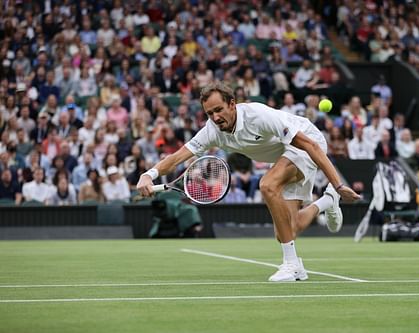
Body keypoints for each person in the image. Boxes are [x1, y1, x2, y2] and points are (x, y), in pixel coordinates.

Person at [137, 82, 360, 282]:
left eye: (218, 110)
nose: (215, 117)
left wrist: (338, 183)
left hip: (308, 143)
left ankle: (291, 265)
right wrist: (149, 175)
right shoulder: (212, 131)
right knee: (289, 229)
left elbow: (310, 146)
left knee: (267, 184)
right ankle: (328, 200)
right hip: (285, 155)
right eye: (209, 113)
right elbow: (177, 157)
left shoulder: (258, 115)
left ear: (232, 104)